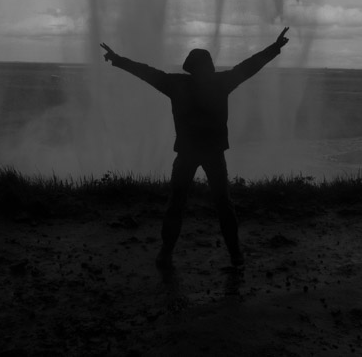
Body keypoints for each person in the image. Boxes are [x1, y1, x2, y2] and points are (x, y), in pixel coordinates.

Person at [100, 27, 290, 269]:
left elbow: (146, 73)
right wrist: (275, 48)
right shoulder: (221, 82)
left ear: (189, 66)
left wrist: (117, 60)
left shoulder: (176, 84)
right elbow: (250, 66)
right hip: (212, 152)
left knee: (177, 203)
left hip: (188, 153)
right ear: (209, 66)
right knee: (222, 203)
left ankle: (167, 253)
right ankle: (234, 254)